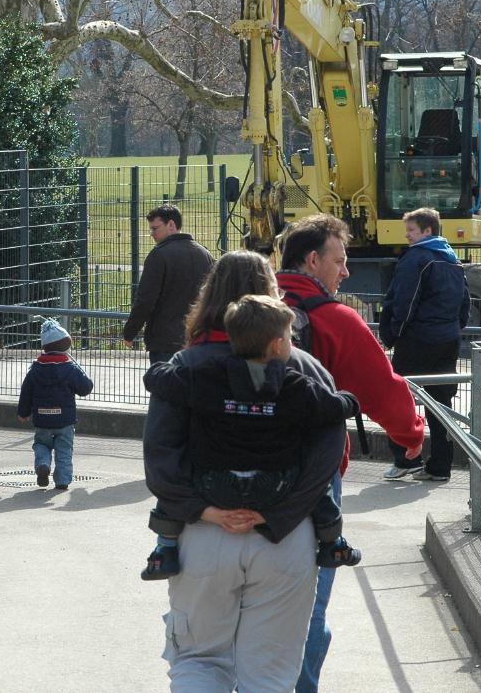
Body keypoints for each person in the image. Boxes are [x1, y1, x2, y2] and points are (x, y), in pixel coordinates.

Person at [143, 250, 347, 690]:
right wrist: (279, 514)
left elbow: (160, 453)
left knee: (198, 660)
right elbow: (326, 457)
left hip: (203, 532)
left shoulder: (187, 368)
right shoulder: (304, 369)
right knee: (270, 675)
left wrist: (203, 510)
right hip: (285, 537)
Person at [275, 213, 427, 693]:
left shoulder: (244, 311)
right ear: (313, 260)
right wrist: (411, 437)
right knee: (309, 606)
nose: (345, 272)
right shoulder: (335, 319)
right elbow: (384, 388)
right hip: (314, 479)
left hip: (231, 476)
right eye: (339, 261)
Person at [140, 294, 361, 582]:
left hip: (214, 485)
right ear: (277, 344)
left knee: (178, 475)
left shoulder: (207, 376)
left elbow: (159, 380)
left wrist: (160, 368)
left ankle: (165, 550)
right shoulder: (294, 385)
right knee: (322, 490)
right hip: (275, 486)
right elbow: (332, 408)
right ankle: (333, 543)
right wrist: (350, 399)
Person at [378, 207, 470, 482]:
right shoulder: (452, 260)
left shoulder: (417, 258)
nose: (407, 236)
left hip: (417, 339)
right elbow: (464, 303)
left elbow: (404, 300)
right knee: (440, 401)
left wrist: (393, 333)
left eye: (411, 231)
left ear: (427, 231)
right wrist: (454, 328)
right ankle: (441, 465)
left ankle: (406, 458)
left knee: (397, 398)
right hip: (448, 339)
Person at [122, 204, 214, 364]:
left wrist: (130, 332)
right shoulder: (205, 254)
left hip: (165, 343)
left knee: (165, 387)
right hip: (198, 340)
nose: (152, 234)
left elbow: (145, 300)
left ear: (171, 225)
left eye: (155, 228)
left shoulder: (159, 255)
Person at [16, 318, 94, 491]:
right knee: (64, 450)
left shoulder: (35, 370)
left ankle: (43, 464)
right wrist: (82, 371)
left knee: (41, 444)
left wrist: (23, 412)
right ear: (65, 348)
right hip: (65, 421)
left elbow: (26, 392)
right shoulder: (70, 369)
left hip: (42, 419)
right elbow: (86, 388)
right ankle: (62, 480)